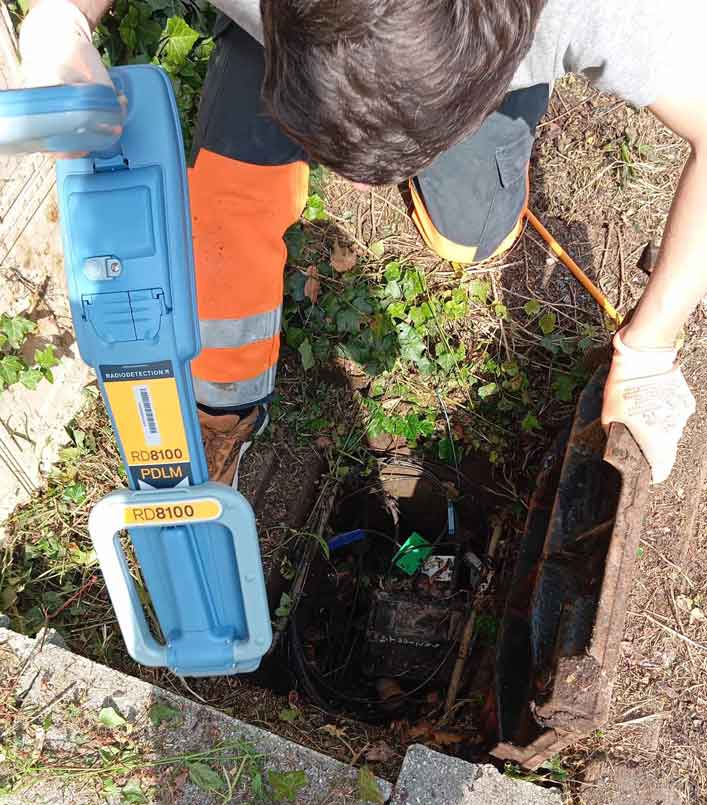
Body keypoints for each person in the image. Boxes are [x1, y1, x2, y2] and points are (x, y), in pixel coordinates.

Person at [19, 0, 702, 485]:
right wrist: (62, 19)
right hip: (282, 37)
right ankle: (220, 409)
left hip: (479, 70)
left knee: (469, 236)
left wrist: (647, 349)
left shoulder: (614, 11)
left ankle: (477, 130)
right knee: (223, 209)